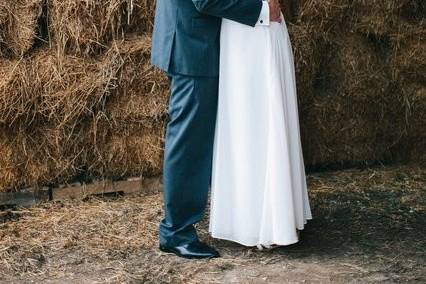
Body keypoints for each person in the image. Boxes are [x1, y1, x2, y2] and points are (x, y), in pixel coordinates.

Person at [151, 0, 298, 259]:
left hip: (201, 41)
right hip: (193, 44)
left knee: (197, 139)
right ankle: (175, 233)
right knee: (188, 141)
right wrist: (262, 10)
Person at [208, 5, 313, 249]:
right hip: (248, 26)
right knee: (250, 120)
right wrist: (263, 10)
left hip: (268, 27)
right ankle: (254, 221)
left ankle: (279, 215)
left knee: (271, 112)